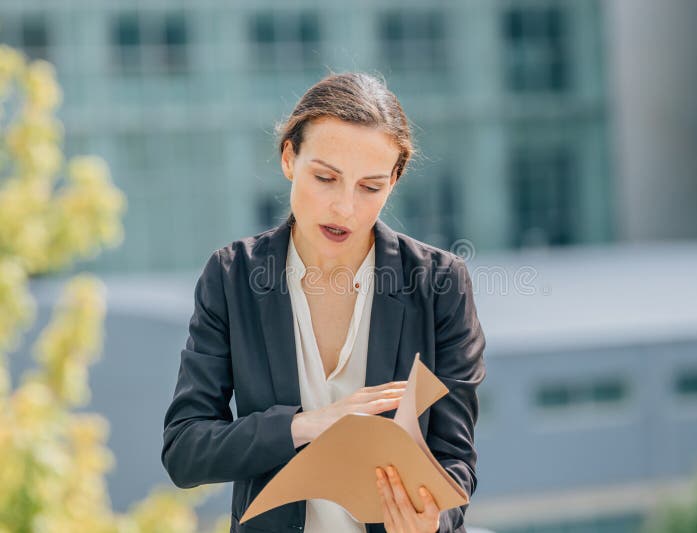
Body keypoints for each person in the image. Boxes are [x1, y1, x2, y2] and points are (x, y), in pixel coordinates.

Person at [161, 71, 486, 533]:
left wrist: (433, 521)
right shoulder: (232, 276)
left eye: (370, 187)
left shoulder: (440, 285)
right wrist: (308, 426)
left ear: (394, 180)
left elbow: (455, 461)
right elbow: (185, 450)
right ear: (289, 158)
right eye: (325, 177)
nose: (344, 208)